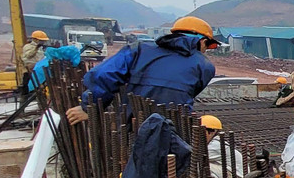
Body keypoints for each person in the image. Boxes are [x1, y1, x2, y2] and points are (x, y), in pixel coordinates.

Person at [65, 16, 219, 124]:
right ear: (203, 41)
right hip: (175, 130)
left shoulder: (138, 50)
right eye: (206, 47)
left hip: (133, 124)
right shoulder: (205, 66)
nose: (204, 52)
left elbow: (105, 75)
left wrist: (89, 107)